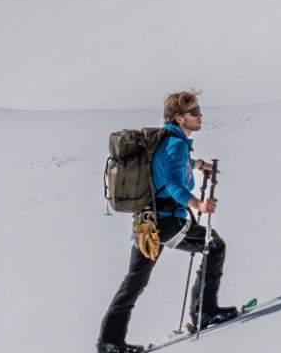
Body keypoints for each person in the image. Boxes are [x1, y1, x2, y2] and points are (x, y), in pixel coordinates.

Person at [97, 90, 240, 353]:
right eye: (194, 112)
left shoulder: (168, 140)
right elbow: (172, 183)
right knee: (214, 246)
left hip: (147, 222)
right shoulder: (175, 144)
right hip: (166, 221)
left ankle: (109, 341)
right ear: (179, 117)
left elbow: (166, 168)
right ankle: (204, 313)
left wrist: (196, 164)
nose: (200, 116)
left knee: (135, 280)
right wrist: (197, 204)